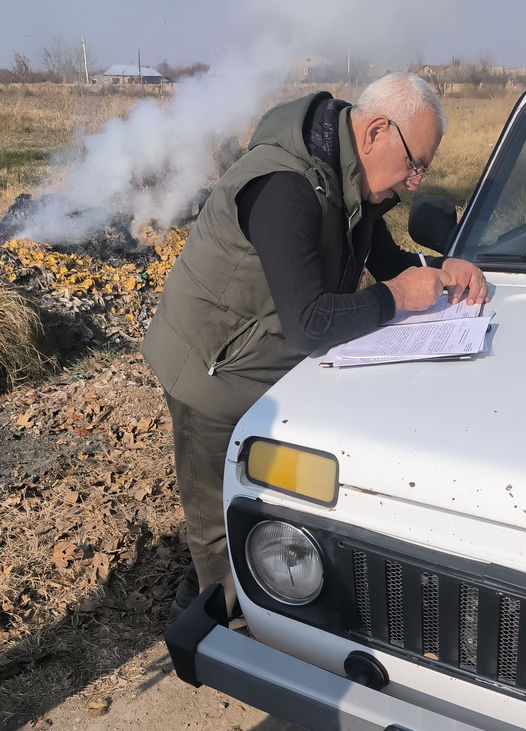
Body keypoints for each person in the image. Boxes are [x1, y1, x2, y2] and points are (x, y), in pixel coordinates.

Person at [141, 73, 488, 617]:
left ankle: (252, 594)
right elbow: (309, 322)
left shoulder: (350, 178)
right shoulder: (286, 186)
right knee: (219, 534)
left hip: (270, 364)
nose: (413, 183)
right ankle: (214, 631)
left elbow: (388, 262)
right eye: (414, 164)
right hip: (214, 366)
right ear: (375, 132)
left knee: (259, 509)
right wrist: (397, 297)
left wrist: (445, 270)